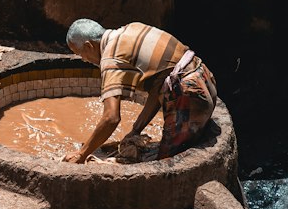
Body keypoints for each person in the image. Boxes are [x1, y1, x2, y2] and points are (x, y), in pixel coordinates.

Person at [63, 18, 217, 165]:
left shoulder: (111, 58)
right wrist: (135, 130)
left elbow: (111, 118)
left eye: (80, 54)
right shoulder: (132, 28)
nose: (84, 60)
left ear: (89, 46)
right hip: (205, 80)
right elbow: (159, 86)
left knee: (163, 165)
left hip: (188, 94)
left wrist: (81, 154)